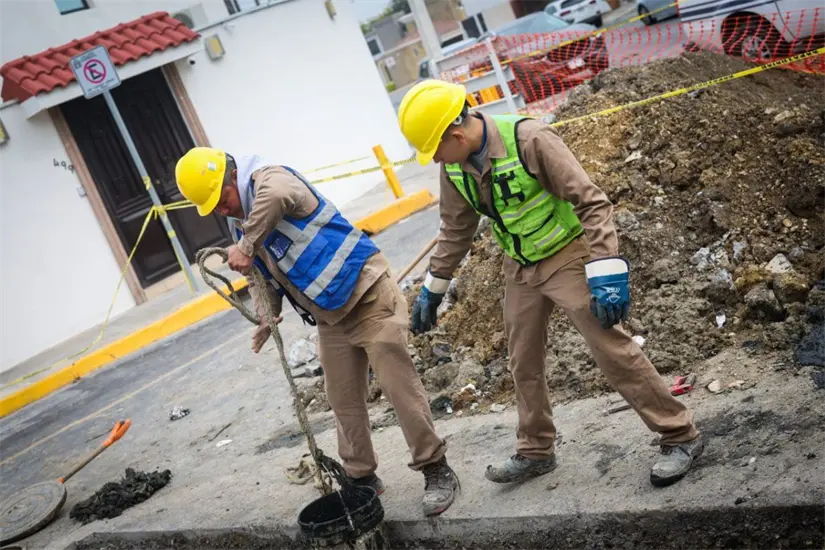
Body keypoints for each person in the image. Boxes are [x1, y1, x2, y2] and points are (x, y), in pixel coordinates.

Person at [397, 80, 703, 487]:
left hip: (566, 253)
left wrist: (607, 271)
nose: (434, 159)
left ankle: (680, 435)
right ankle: (536, 451)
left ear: (456, 134)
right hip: (520, 266)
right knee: (522, 359)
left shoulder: (529, 138)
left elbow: (591, 202)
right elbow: (456, 229)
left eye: (434, 149)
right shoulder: (454, 164)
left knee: (610, 347)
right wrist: (434, 288)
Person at [174, 147, 458, 515]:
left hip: (368, 294)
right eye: (212, 208)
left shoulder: (271, 178)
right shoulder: (240, 223)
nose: (222, 210)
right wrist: (265, 317)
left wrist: (246, 243)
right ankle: (362, 480)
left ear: (232, 177)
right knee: (342, 400)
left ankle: (436, 468)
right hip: (329, 318)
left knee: (398, 387)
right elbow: (259, 277)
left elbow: (275, 200)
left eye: (221, 199)